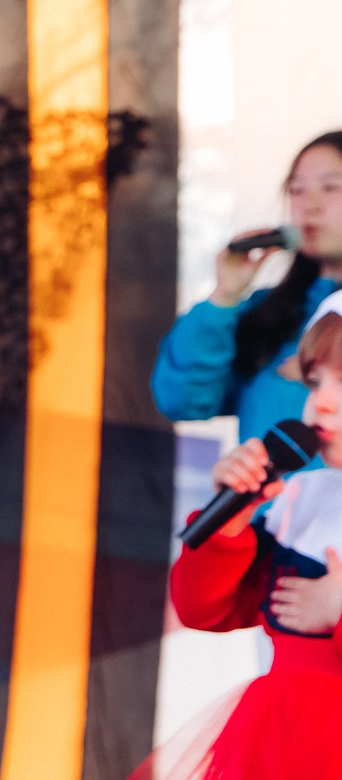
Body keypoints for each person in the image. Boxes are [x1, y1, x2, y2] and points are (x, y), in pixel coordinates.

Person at [139, 295, 342, 778]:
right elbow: (205, 608)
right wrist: (231, 520)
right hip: (278, 747)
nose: (322, 401)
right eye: (315, 381)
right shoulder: (303, 496)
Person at [154, 132, 342, 442]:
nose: (310, 205)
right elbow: (183, 402)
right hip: (273, 491)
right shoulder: (268, 314)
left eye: (330, 187)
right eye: (297, 190)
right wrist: (225, 297)